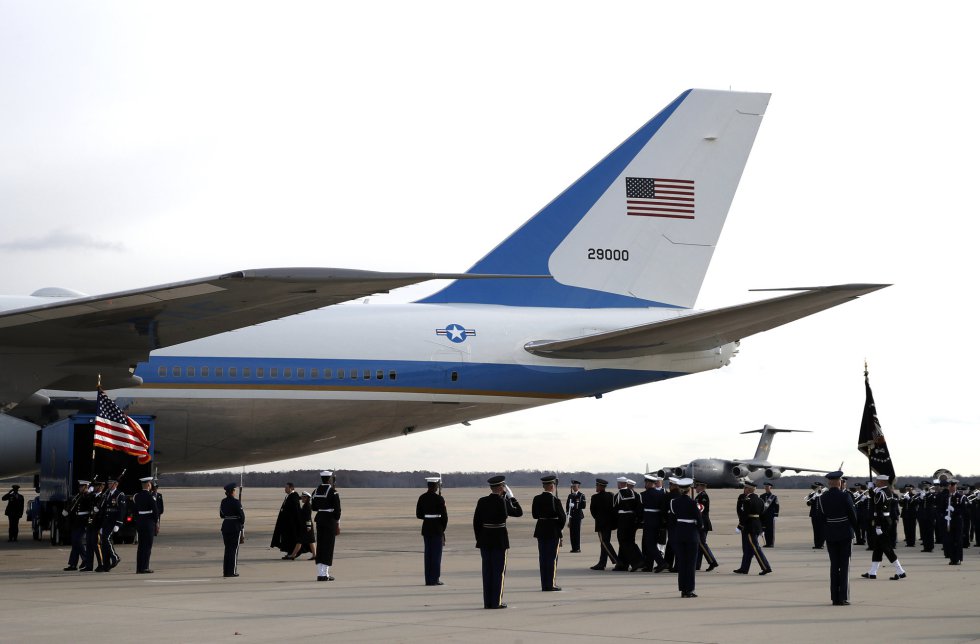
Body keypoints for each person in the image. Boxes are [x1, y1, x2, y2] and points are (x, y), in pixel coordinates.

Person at [472, 475, 522, 609]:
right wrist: (511, 498)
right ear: (501, 488)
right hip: (499, 540)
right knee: (498, 572)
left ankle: (487, 602)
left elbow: (476, 522)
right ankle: (496, 602)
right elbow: (518, 512)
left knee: (487, 571)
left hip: (485, 540)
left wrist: (479, 539)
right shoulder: (503, 501)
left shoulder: (482, 501)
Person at [815, 471, 858, 606]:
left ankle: (834, 597)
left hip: (830, 534)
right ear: (839, 482)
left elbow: (820, 517)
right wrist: (856, 531)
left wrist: (827, 530)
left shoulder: (822, 497)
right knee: (844, 566)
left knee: (834, 565)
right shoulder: (845, 496)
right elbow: (852, 515)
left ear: (829, 483)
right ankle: (843, 597)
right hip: (845, 533)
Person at [861, 474, 907, 580]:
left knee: (886, 547)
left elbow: (878, 510)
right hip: (885, 520)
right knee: (878, 548)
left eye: (877, 481)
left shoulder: (881, 493)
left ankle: (900, 571)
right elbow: (875, 499)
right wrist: (871, 489)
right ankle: (873, 572)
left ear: (882, 482)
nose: (876, 482)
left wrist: (878, 526)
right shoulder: (887, 491)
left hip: (881, 522)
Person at [531, 475, 566, 591]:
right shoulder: (555, 500)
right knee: (552, 559)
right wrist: (559, 528)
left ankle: (544, 584)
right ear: (552, 486)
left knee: (543, 558)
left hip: (541, 530)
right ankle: (550, 584)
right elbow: (562, 518)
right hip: (553, 531)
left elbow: (535, 515)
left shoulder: (537, 498)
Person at [667, 478, 701, 598]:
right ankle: (689, 589)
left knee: (682, 563)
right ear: (688, 489)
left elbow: (672, 520)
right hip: (691, 535)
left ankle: (683, 589)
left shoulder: (673, 502)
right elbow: (700, 522)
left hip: (679, 534)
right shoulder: (693, 503)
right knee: (691, 564)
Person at [733, 481, 772, 575]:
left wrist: (739, 526)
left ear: (748, 489)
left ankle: (766, 567)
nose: (744, 489)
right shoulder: (760, 500)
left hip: (749, 527)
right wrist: (762, 528)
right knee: (748, 549)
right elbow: (762, 515)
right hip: (757, 526)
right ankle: (744, 568)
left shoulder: (747, 500)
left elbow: (745, 515)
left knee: (755, 547)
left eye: (745, 488)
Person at [416, 475, 448, 586]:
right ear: (435, 486)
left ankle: (428, 579)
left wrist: (428, 517)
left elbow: (419, 514)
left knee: (428, 555)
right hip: (437, 529)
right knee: (436, 555)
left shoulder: (422, 497)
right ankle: (434, 579)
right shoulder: (439, 499)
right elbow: (444, 517)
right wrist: (442, 529)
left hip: (426, 528)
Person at [311, 470, 341, 581]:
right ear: (329, 479)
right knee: (328, 547)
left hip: (320, 519)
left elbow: (313, 507)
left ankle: (320, 573)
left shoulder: (315, 491)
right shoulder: (333, 492)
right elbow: (337, 511)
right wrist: (337, 523)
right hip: (329, 520)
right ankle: (325, 574)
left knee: (321, 546)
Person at [612, 477, 643, 571]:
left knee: (623, 541)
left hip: (623, 520)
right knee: (630, 541)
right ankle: (623, 564)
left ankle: (637, 561)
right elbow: (639, 507)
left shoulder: (618, 495)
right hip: (633, 520)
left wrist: (615, 523)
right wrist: (637, 520)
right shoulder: (635, 494)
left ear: (620, 484)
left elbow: (614, 509)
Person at [95, 477, 125, 572]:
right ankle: (106, 565)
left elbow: (121, 510)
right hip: (106, 522)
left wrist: (118, 523)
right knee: (104, 543)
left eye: (111, 483)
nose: (109, 485)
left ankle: (115, 557)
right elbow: (104, 510)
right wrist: (101, 525)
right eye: (109, 483)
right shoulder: (106, 494)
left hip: (113, 522)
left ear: (116, 484)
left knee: (106, 539)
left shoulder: (119, 495)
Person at [63, 480, 94, 571]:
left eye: (82, 487)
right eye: (80, 487)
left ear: (86, 487)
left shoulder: (88, 496)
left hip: (84, 521)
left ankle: (85, 558)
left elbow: (90, 508)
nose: (80, 488)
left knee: (77, 540)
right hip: (76, 521)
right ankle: (73, 564)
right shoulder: (78, 495)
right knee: (74, 542)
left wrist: (87, 493)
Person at [589, 478, 618, 570]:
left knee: (604, 543)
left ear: (601, 487)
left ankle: (617, 560)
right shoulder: (611, 495)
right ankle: (602, 563)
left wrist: (599, 519)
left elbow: (593, 511)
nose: (596, 487)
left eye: (597, 486)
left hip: (601, 524)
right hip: (609, 524)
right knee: (604, 543)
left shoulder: (595, 497)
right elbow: (614, 509)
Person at [133, 476, 160, 573]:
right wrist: (156, 522)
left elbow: (134, 511)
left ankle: (139, 568)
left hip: (140, 522)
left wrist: (138, 520)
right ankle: (145, 567)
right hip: (149, 522)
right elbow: (155, 511)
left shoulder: (137, 496)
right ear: (148, 484)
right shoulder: (150, 496)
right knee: (147, 546)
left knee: (141, 546)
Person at [640, 474, 667, 572]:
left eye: (646, 483)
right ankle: (649, 565)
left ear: (648, 483)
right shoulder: (661, 494)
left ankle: (661, 562)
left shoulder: (643, 495)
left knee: (649, 544)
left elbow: (640, 509)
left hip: (648, 521)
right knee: (653, 543)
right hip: (657, 521)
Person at [220, 482, 246, 577]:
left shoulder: (223, 501)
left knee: (227, 549)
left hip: (225, 526)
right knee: (233, 551)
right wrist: (241, 524)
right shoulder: (236, 502)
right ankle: (231, 572)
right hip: (235, 527)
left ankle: (226, 571)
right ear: (232, 491)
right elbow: (242, 516)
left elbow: (222, 515)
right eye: (234, 490)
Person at [271, 482, 302, 559]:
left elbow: (295, 510)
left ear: (291, 488)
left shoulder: (294, 496)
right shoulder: (289, 496)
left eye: (286, 488)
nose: (285, 489)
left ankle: (292, 553)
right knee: (287, 538)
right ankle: (289, 552)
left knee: (291, 538)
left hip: (291, 523)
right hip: (286, 523)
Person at [693, 481, 718, 572]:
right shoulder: (699, 496)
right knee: (699, 545)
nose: (695, 488)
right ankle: (697, 564)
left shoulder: (703, 496)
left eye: (697, 486)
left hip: (703, 522)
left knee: (701, 543)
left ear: (701, 487)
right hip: (701, 522)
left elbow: (701, 510)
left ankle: (712, 562)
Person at [941, 479, 965, 565]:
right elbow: (941, 508)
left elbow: (963, 510)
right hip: (949, 522)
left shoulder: (961, 497)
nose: (951, 488)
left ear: (955, 487)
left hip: (957, 521)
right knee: (950, 540)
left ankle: (958, 559)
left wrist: (954, 510)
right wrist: (945, 515)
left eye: (953, 486)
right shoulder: (946, 497)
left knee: (957, 540)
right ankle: (952, 559)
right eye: (950, 486)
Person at [565, 480, 586, 553]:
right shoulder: (570, 495)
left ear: (578, 487)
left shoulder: (581, 495)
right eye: (573, 486)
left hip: (578, 516)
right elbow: (567, 506)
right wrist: (568, 514)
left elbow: (583, 506)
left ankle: (577, 548)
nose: (573, 487)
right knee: (572, 532)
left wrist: (575, 505)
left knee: (577, 532)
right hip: (571, 516)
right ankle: (573, 547)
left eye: (575, 486)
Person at [296, 491, 316, 560]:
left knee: (300, 541)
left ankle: (292, 555)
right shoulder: (306, 505)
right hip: (306, 526)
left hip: (306, 527)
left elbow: (308, 517)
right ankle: (315, 555)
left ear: (306, 498)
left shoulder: (307, 506)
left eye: (303, 497)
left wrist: (308, 526)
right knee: (311, 541)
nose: (301, 499)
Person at [805, 482, 825, 549]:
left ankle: (821, 544)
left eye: (817, 487)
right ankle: (816, 544)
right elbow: (808, 504)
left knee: (822, 530)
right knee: (815, 530)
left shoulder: (824, 494)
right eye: (815, 487)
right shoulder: (811, 494)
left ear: (820, 487)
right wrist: (812, 499)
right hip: (814, 514)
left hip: (822, 515)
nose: (816, 488)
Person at [760, 481, 779, 547]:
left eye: (767, 486)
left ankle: (771, 543)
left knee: (770, 529)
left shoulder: (774, 497)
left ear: (770, 487)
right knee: (764, 529)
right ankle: (767, 543)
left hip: (771, 515)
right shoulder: (762, 496)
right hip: (763, 515)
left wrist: (776, 515)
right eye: (765, 486)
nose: (766, 488)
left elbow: (777, 506)